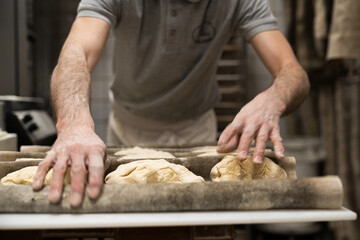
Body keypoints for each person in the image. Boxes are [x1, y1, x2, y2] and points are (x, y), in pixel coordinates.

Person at [32, 0, 309, 207]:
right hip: (129, 128)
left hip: (197, 130)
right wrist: (75, 123)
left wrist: (273, 98)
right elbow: (76, 53)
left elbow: (293, 72)